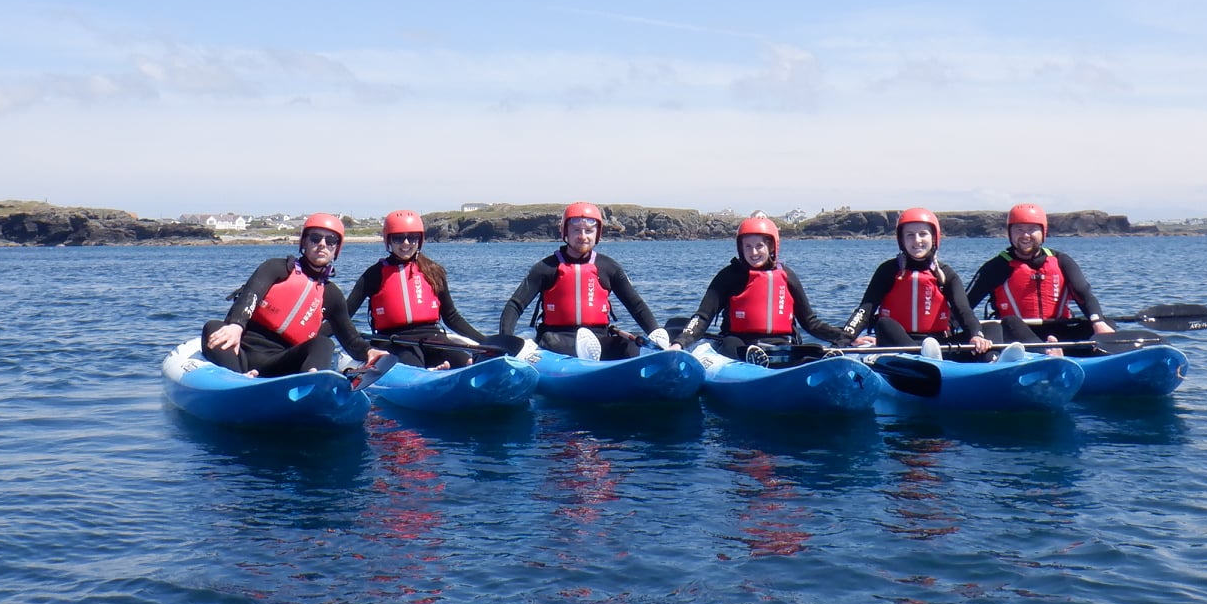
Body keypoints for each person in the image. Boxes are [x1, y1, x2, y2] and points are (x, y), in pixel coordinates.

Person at [202, 214, 384, 378]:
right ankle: (239, 380)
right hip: (240, 354)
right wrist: (236, 325)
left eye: (330, 241)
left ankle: (311, 383)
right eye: (315, 238)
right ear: (304, 242)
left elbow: (350, 339)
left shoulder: (331, 295)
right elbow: (250, 296)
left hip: (281, 363)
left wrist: (369, 352)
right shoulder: (276, 268)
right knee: (213, 327)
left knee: (324, 344)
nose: (322, 244)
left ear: (336, 249)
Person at [498, 201, 673, 360]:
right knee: (551, 340)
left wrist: (654, 332)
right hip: (556, 338)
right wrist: (505, 340)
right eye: (576, 230)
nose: (583, 236)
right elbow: (515, 305)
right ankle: (585, 355)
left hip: (598, 338)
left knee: (632, 347)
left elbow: (636, 305)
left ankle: (651, 354)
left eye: (589, 231)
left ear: (597, 234)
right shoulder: (546, 267)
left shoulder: (609, 267)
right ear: (565, 232)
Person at [673, 215, 845, 362]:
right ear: (741, 248)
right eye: (748, 246)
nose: (753, 252)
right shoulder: (728, 276)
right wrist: (680, 342)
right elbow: (703, 317)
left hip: (778, 345)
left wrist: (845, 338)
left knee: (806, 349)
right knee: (731, 343)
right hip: (738, 344)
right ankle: (750, 361)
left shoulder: (787, 276)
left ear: (771, 247)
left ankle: (821, 361)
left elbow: (811, 323)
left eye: (759, 246)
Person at [839, 208, 994, 357]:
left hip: (938, 345)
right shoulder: (887, 271)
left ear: (934, 238)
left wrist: (976, 335)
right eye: (910, 235)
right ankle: (922, 358)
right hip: (899, 344)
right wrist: (844, 341)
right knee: (883, 324)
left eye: (923, 234)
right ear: (901, 240)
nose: (917, 240)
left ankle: (992, 362)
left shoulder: (946, 274)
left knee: (992, 328)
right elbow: (864, 311)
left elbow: (964, 311)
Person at [346, 209, 491, 368]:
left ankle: (443, 370)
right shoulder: (374, 274)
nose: (406, 243)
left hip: (433, 337)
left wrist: (485, 342)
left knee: (465, 361)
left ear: (420, 240)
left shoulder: (433, 271)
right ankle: (434, 372)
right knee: (412, 362)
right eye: (398, 238)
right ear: (389, 240)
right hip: (392, 341)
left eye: (412, 237)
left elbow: (451, 317)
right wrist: (354, 346)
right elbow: (343, 317)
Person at [966, 203, 1115, 353]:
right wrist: (970, 332)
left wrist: (1098, 322)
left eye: (1032, 229)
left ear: (1043, 232)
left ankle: (1093, 354)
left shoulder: (1061, 261)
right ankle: (1047, 353)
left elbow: (1084, 294)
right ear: (1010, 233)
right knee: (1009, 322)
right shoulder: (997, 266)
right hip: (1018, 337)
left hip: (1058, 331)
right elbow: (965, 305)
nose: (1025, 235)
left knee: (1106, 322)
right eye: (1019, 229)